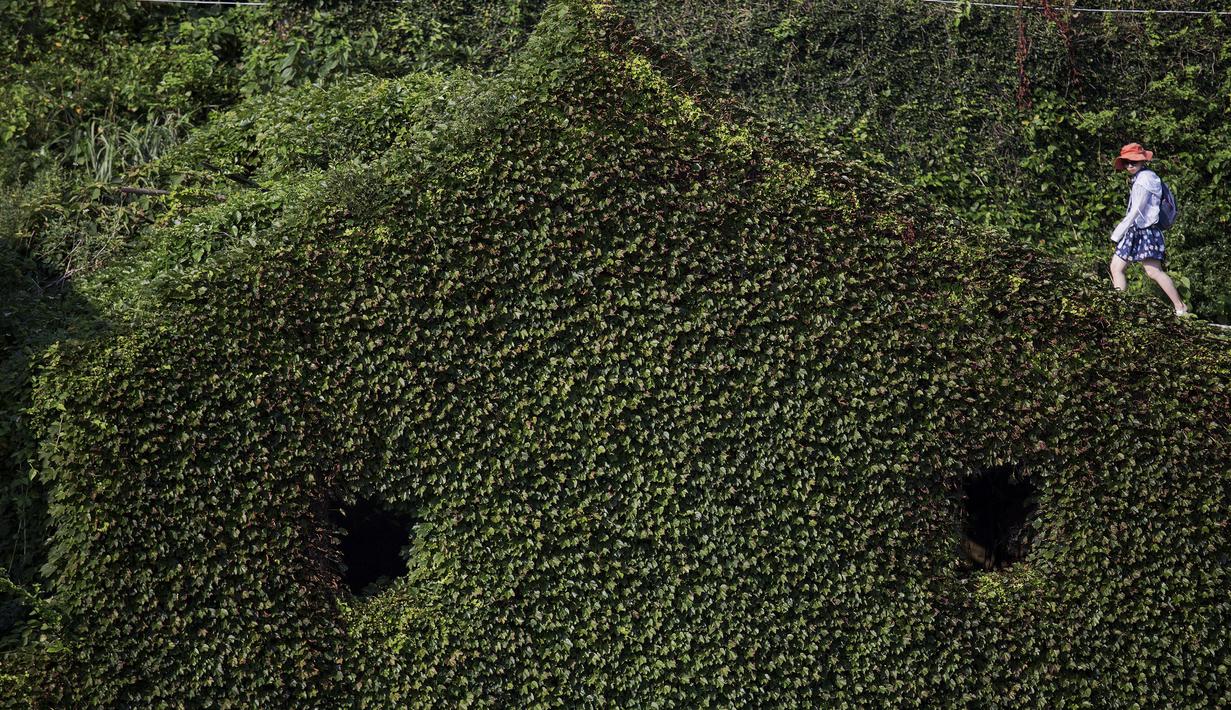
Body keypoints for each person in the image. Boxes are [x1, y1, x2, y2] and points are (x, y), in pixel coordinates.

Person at [1108, 142, 1189, 316]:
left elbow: (1136, 210)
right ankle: (1119, 308)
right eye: (1127, 162)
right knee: (1116, 267)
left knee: (1153, 271)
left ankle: (1180, 306)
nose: (1130, 166)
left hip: (1145, 231)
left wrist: (1116, 234)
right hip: (1135, 230)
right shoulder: (1141, 178)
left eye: (1134, 162)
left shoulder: (1145, 180)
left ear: (1142, 162)